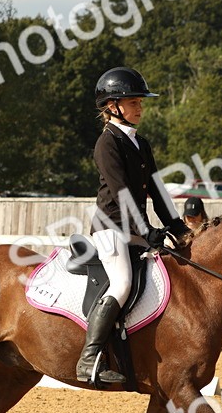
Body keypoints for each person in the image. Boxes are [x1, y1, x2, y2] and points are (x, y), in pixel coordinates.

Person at [77, 66, 188, 384]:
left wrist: (179, 228)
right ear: (112, 106)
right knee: (122, 283)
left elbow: (157, 190)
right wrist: (146, 230)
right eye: (134, 102)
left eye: (141, 102)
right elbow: (121, 192)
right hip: (111, 229)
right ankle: (89, 358)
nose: (140, 107)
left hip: (134, 230)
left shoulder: (141, 143)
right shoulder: (107, 144)